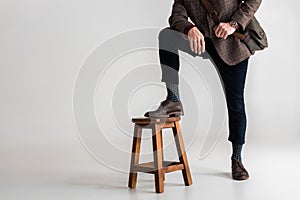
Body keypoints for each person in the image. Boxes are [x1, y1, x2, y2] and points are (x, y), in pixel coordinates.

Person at [144, 0, 262, 180]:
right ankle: (173, 99)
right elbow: (176, 16)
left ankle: (237, 159)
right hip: (202, 43)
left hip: (231, 44)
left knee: (236, 104)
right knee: (167, 36)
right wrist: (189, 28)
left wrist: (233, 24)